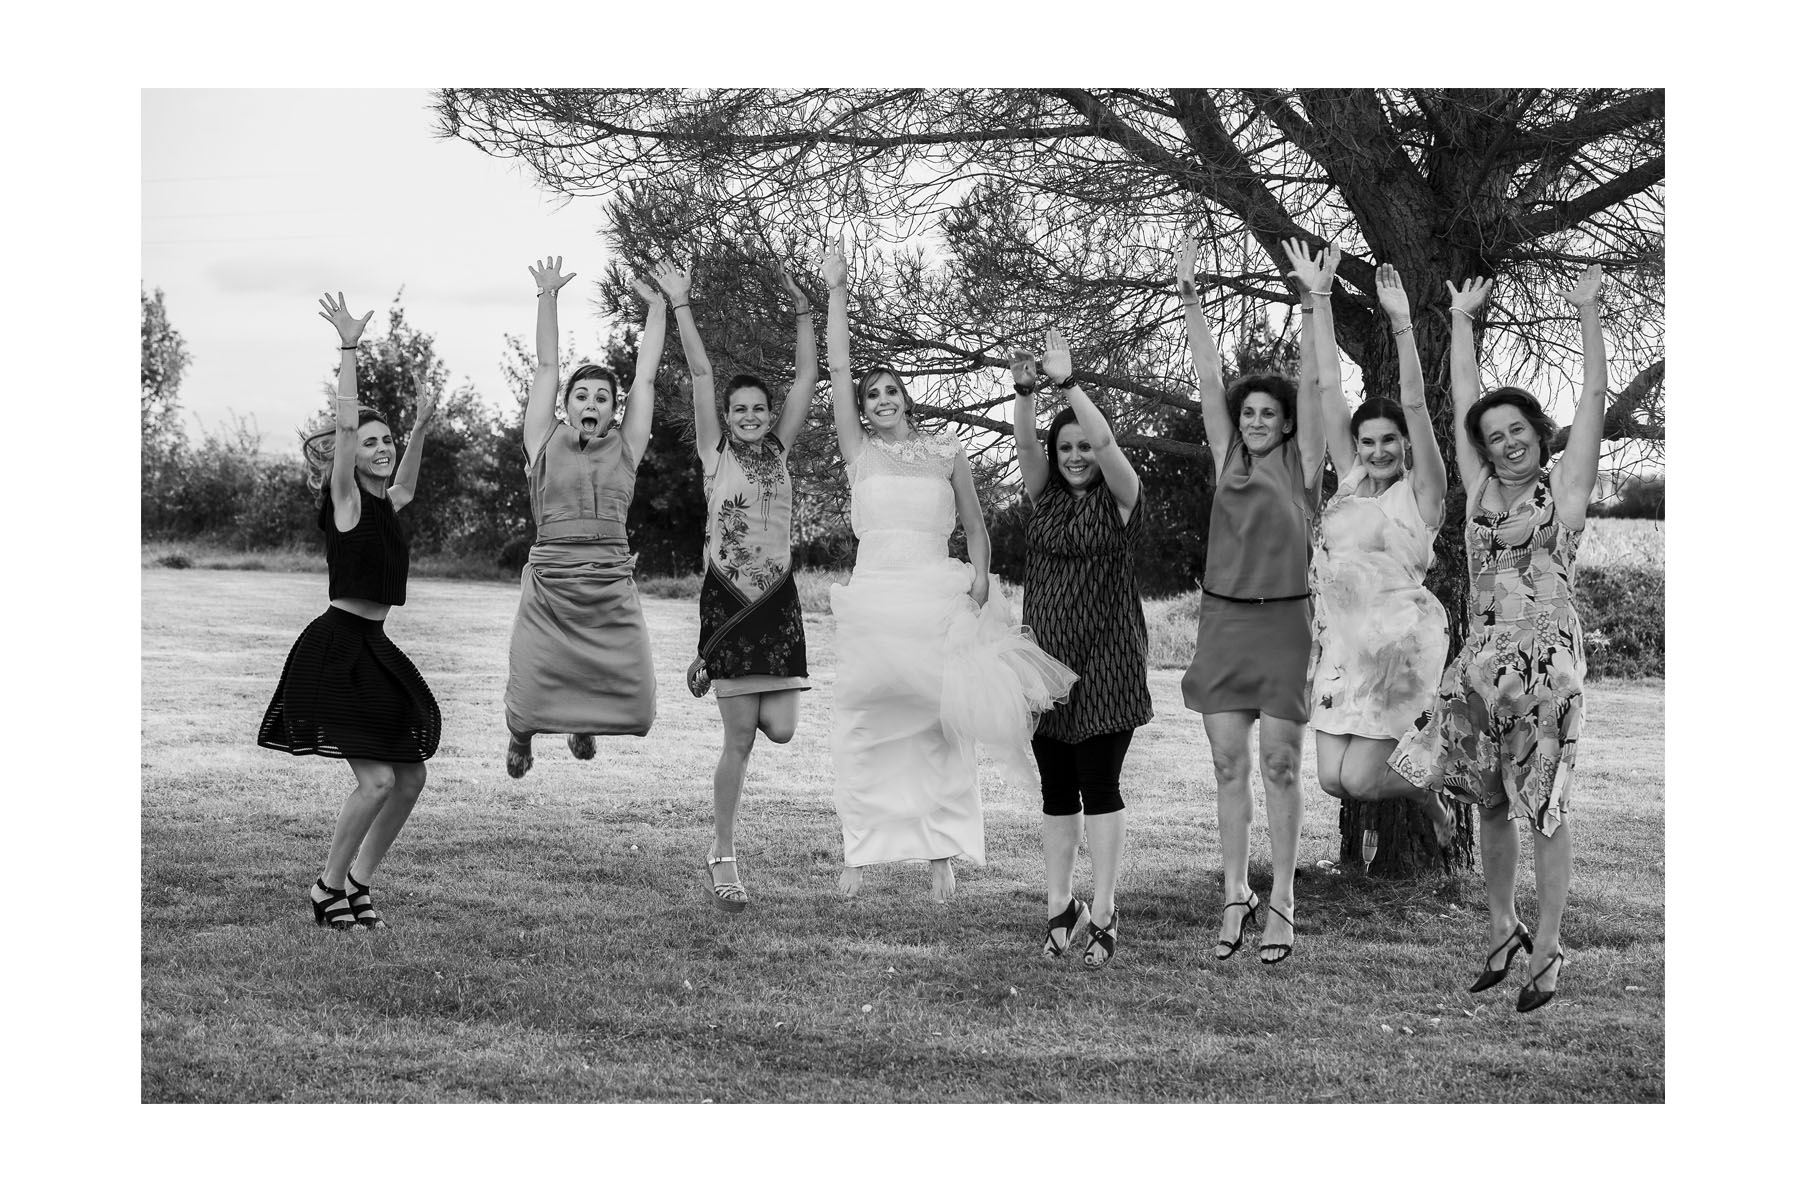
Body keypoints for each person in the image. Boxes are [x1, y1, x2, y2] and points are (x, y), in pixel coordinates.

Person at [822, 236, 1076, 902]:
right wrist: (837, 292)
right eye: (869, 392)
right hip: (876, 598)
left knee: (941, 726)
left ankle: (941, 853)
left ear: (906, 398)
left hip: (937, 596)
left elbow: (974, 524)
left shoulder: (943, 449)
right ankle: (861, 851)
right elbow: (838, 360)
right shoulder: (858, 452)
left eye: (889, 390)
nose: (879, 398)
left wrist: (982, 578)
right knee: (869, 724)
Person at [1391, 266, 1607, 1013]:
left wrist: (1586, 313)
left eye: (1516, 430)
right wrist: (1457, 319)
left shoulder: (1564, 489)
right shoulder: (1479, 490)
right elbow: (1461, 400)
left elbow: (1590, 400)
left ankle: (1547, 945)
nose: (1505, 441)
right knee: (1482, 799)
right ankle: (1500, 925)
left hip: (1546, 665)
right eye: (1494, 435)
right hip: (1481, 663)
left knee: (1542, 805)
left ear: (1535, 435)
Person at [259, 292, 441, 930]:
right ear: (351, 454)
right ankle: (325, 888)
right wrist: (348, 347)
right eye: (372, 442)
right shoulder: (345, 500)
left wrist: (418, 427)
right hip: (335, 648)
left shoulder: (387, 501)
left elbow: (410, 484)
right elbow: (342, 426)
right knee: (377, 783)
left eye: (386, 440)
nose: (382, 448)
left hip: (373, 645)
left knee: (410, 778)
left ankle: (359, 885)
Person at [1176, 237, 1329, 964]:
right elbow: (1209, 380)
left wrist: (1308, 303)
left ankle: (1285, 902)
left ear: (1287, 421)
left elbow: (1318, 385)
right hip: (1224, 623)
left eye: (1270, 412)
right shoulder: (1227, 457)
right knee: (1228, 764)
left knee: (1280, 764)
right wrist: (1189, 298)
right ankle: (1234, 893)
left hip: (1285, 625)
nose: (1257, 419)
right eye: (1251, 413)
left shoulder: (1303, 468)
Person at [662, 257, 817, 912]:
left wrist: (806, 311)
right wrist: (680, 305)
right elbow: (700, 372)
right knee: (742, 738)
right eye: (741, 408)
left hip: (777, 600)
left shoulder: (780, 448)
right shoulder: (714, 453)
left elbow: (809, 375)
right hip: (727, 595)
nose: (752, 415)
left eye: (759, 407)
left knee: (779, 728)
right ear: (725, 416)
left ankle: (724, 839)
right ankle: (722, 851)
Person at [1303, 259, 1457, 853]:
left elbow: (1416, 407)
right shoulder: (1348, 481)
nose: (1377, 449)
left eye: (1388, 440)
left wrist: (1402, 325)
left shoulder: (1422, 494)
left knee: (1364, 780)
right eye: (1367, 442)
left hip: (1398, 650)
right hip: (1342, 650)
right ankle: (1426, 785)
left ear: (1404, 444)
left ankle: (1438, 784)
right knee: (1331, 780)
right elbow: (1327, 390)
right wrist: (1318, 297)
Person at [1009, 329, 1151, 970]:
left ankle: (1106, 909)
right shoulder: (1042, 500)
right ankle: (1059, 907)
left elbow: (1108, 443)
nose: (1074, 456)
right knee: (1055, 791)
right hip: (1042, 667)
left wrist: (1068, 386)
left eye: (1081, 447)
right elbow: (1025, 443)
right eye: (1063, 447)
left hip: (1107, 663)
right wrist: (1024, 393)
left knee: (1100, 785)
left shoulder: (1120, 497)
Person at [502, 256, 667, 778]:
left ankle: (583, 721)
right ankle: (522, 735)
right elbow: (547, 368)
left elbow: (645, 377)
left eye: (602, 397)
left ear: (613, 409)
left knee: (639, 701)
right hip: (552, 577)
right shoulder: (542, 440)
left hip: (610, 578)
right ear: (567, 405)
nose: (591, 402)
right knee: (531, 682)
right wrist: (547, 296)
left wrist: (659, 309)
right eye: (582, 396)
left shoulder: (626, 446)